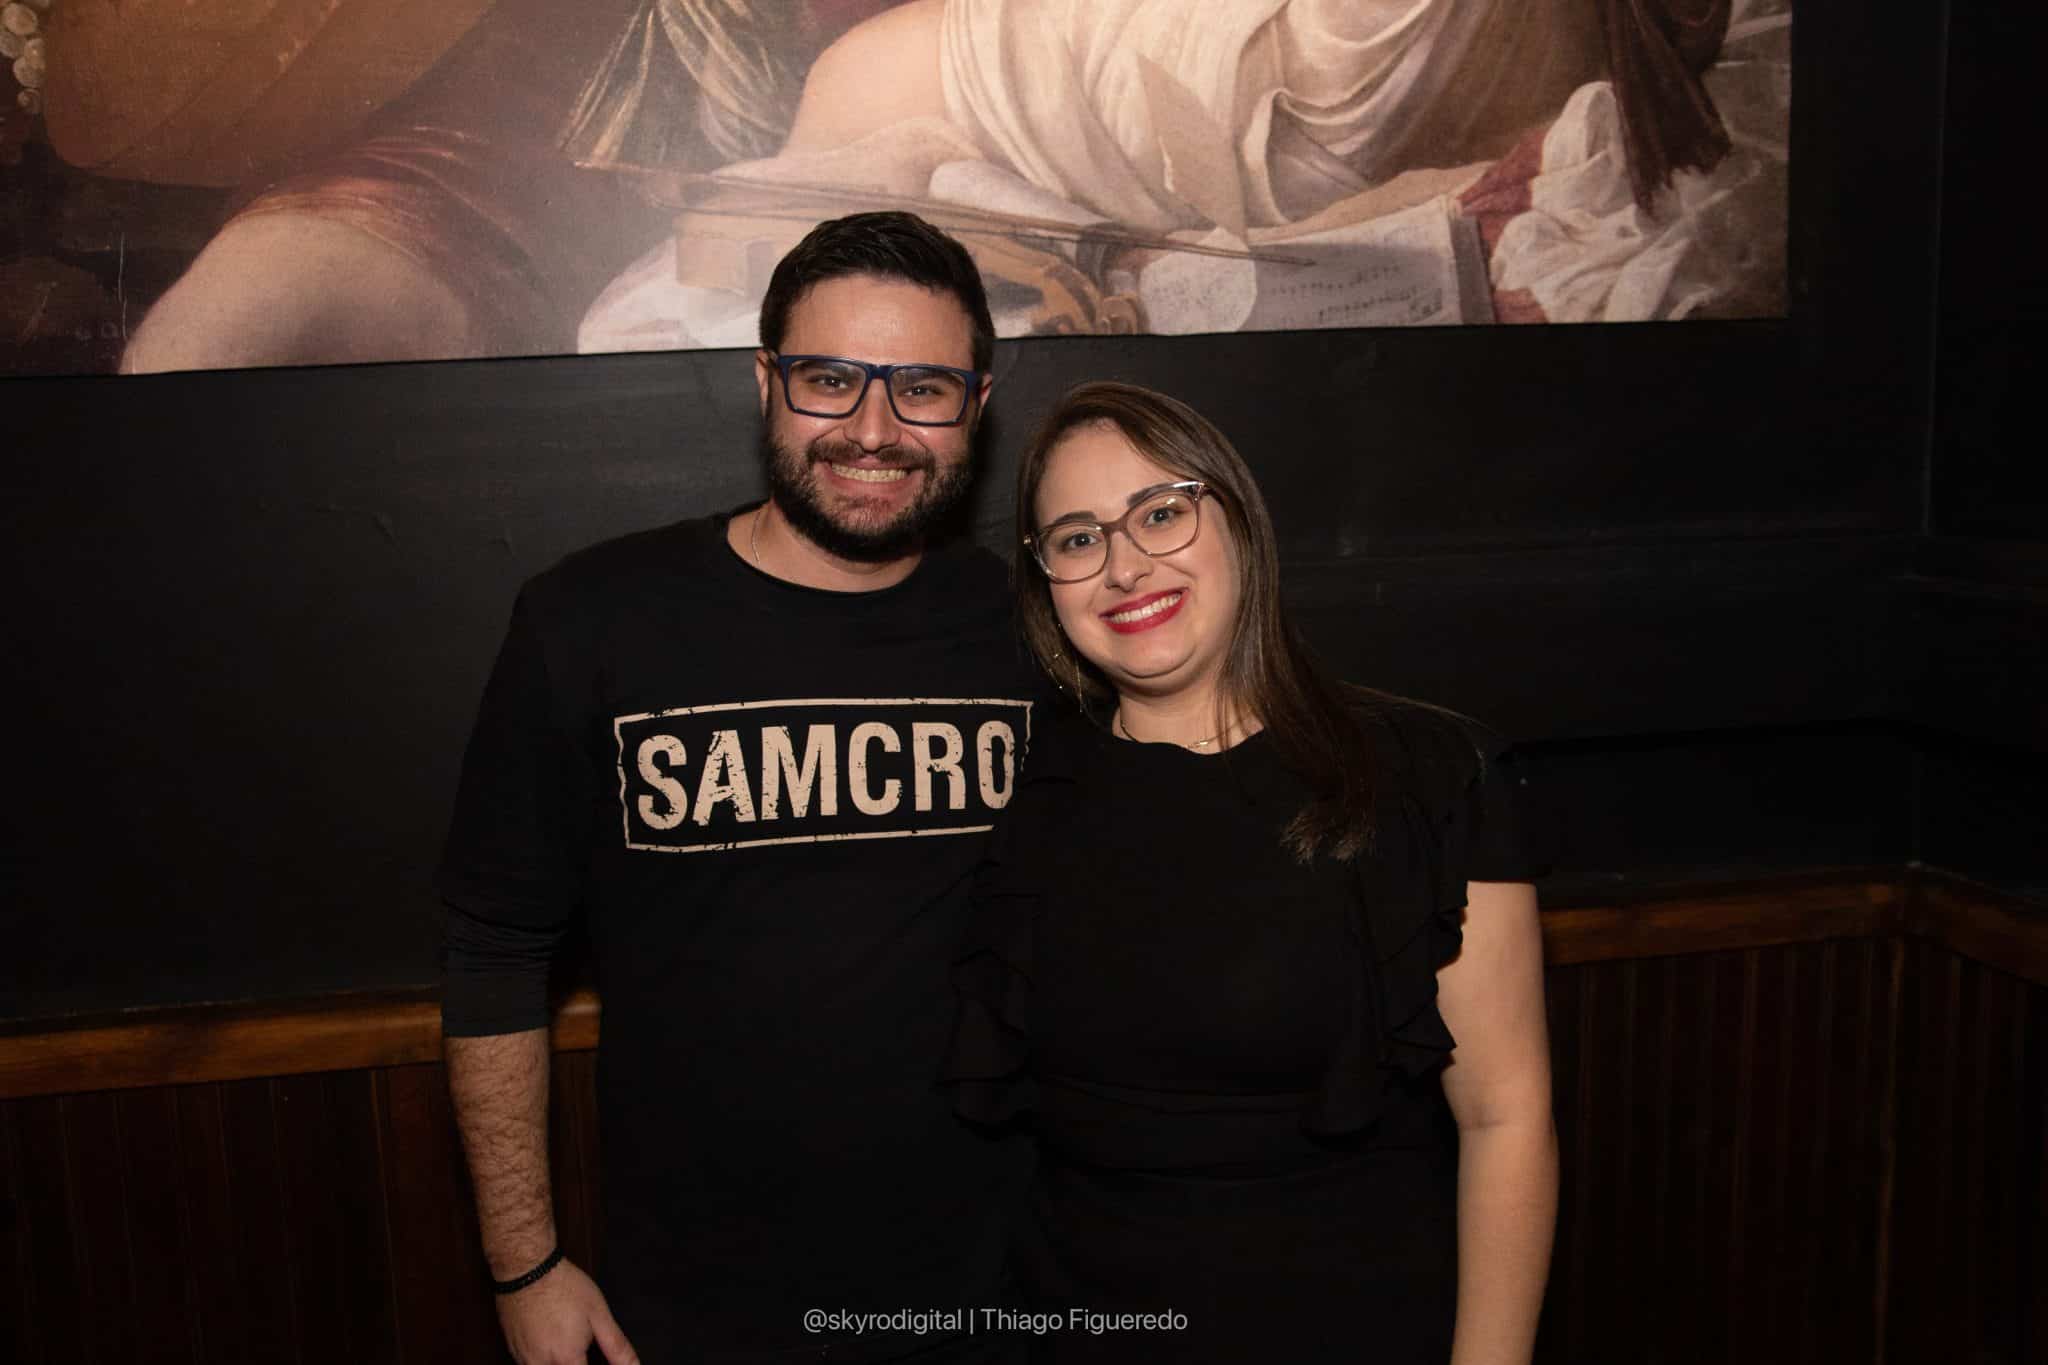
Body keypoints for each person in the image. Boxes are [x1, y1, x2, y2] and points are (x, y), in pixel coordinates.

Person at [436, 210, 1036, 1365]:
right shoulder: (593, 621)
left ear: (976, 404)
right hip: (694, 1307)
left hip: (995, 1290)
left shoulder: (1032, 631)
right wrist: (523, 1265)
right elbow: (493, 950)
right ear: (766, 383)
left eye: (921, 389)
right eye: (829, 380)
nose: (873, 430)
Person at [944, 382, 1557, 1362]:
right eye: (1077, 538)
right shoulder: (1026, 795)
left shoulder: (1424, 777)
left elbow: (1504, 1117)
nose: (1123, 565)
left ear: (1237, 518)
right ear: (1046, 580)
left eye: (1160, 512)